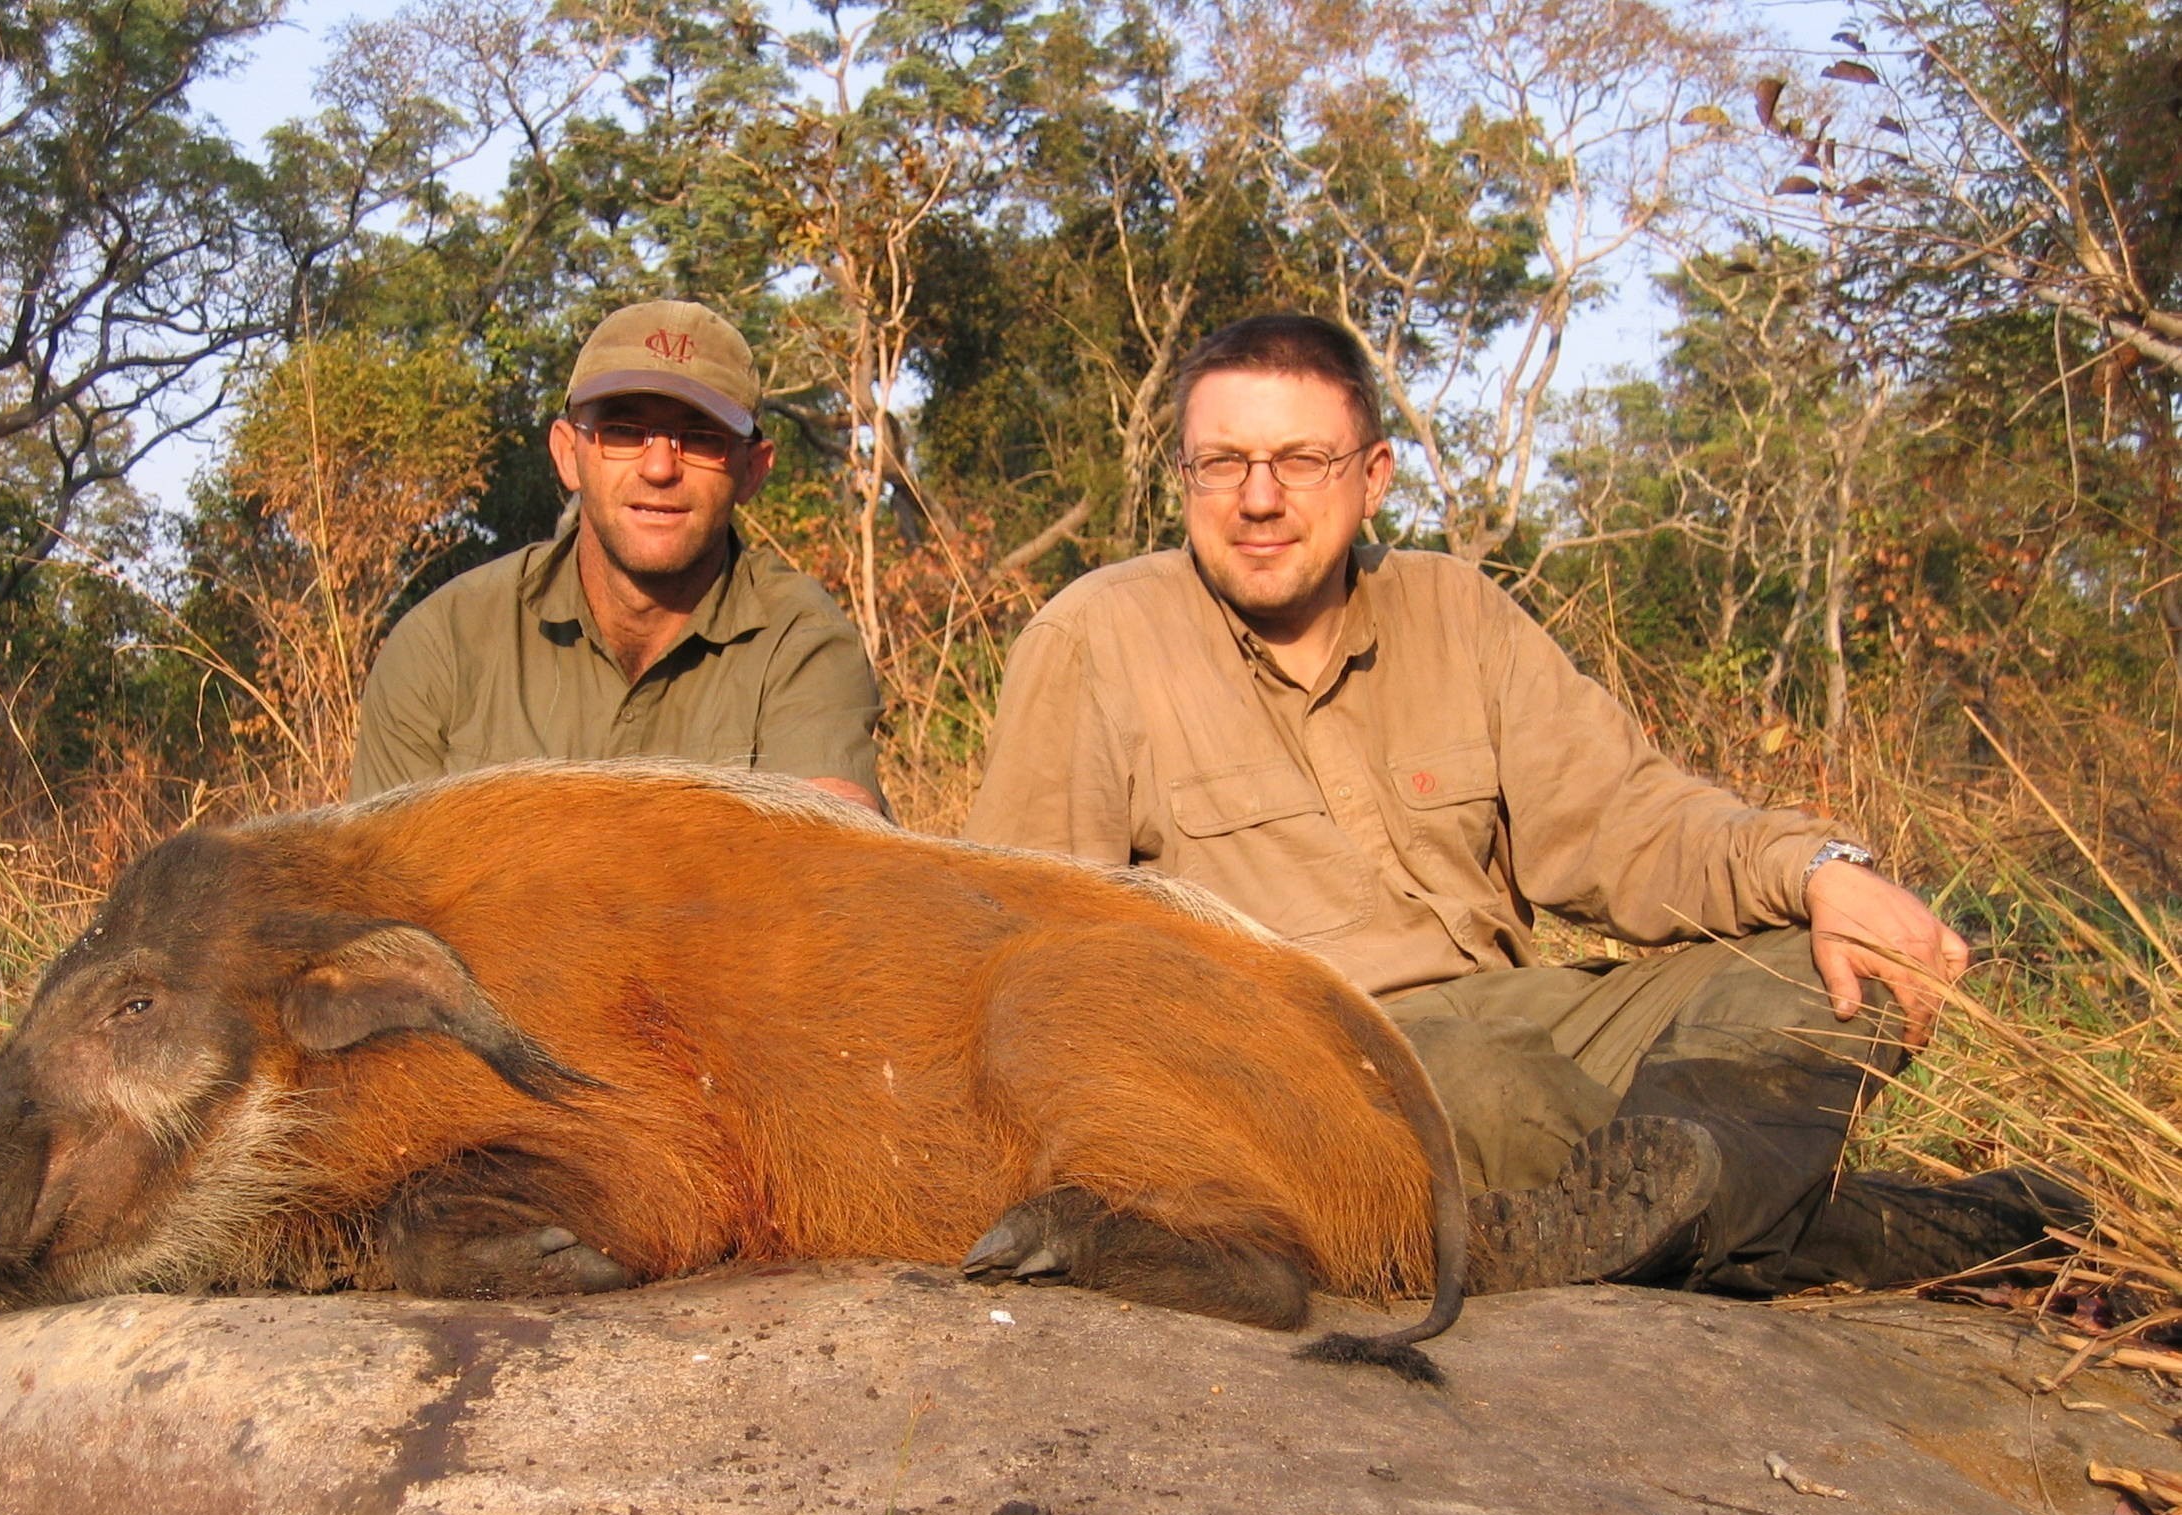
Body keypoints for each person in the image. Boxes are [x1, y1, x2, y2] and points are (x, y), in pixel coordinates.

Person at [965, 311, 2081, 1296]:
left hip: (1525, 1013)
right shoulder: (1095, 638)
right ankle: (1858, 1225)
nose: (1259, 500)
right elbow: (1027, 949)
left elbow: (1632, 821)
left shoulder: (1459, 608)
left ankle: (1643, 1212)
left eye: (1301, 461)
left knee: (1836, 975)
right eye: (1224, 465)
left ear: (1374, 475)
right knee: (1487, 1087)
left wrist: (1819, 868)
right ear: (1186, 478)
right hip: (1310, 1064)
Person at [351, 299, 884, 812]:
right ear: (567, 454)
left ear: (752, 470)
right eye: (623, 432)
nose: (658, 468)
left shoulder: (802, 642)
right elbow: (378, 886)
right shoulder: (443, 645)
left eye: (700, 439)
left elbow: (831, 870)